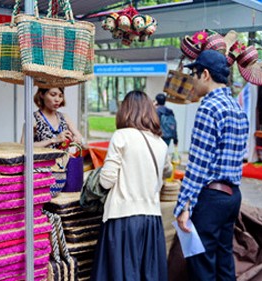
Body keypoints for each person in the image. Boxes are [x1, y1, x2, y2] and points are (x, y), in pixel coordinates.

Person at [174, 50, 249, 281]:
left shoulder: (209, 107)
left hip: (211, 198)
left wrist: (184, 205)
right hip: (232, 197)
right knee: (224, 262)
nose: (192, 82)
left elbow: (198, 164)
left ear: (205, 74)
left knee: (202, 266)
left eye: (194, 75)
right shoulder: (237, 108)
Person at [91, 90, 173, 281]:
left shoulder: (121, 136)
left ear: (125, 111)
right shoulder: (160, 142)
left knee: (120, 274)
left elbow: (106, 180)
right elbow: (167, 171)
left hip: (123, 219)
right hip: (151, 220)